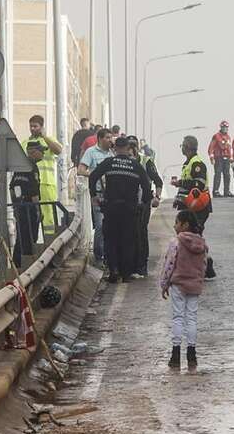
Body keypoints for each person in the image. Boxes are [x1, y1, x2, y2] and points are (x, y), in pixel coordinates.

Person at [88, 135, 153, 282]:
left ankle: (114, 271)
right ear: (128, 148)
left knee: (111, 240)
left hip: (111, 208)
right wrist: (143, 204)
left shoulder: (109, 162)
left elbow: (93, 177)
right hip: (130, 210)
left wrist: (94, 196)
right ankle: (126, 274)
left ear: (115, 148)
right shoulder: (136, 165)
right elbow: (146, 186)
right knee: (128, 241)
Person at [159, 209, 208, 369]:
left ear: (185, 225)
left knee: (178, 317)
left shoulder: (176, 242)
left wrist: (164, 284)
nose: (174, 226)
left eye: (177, 223)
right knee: (192, 318)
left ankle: (175, 354)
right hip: (194, 285)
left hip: (178, 284)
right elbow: (204, 265)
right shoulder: (201, 243)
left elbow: (169, 264)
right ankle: (192, 354)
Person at [78, 128, 115, 266]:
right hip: (98, 193)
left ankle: (109, 255)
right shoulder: (91, 152)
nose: (110, 140)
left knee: (110, 225)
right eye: (107, 137)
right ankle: (99, 256)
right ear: (100, 139)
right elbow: (81, 170)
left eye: (111, 137)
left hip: (112, 193)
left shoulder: (112, 153)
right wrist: (96, 174)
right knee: (100, 225)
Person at [10, 142, 44, 266]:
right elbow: (34, 192)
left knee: (21, 237)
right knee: (30, 237)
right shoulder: (32, 167)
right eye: (41, 151)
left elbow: (12, 188)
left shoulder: (20, 167)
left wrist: (15, 206)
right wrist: (38, 211)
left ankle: (17, 265)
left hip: (20, 207)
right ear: (33, 152)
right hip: (29, 207)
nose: (43, 154)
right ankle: (27, 265)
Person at [173, 135, 213, 229]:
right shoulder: (188, 163)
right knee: (186, 233)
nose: (181, 148)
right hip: (189, 205)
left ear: (188, 147)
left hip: (198, 205)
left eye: (182, 145)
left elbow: (199, 184)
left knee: (193, 233)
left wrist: (180, 183)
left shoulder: (197, 163)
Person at [208, 121, 233, 197]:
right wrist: (211, 158)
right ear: (221, 127)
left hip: (226, 158)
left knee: (227, 175)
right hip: (219, 158)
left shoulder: (228, 137)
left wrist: (231, 159)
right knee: (218, 174)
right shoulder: (216, 136)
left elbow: (229, 148)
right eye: (223, 127)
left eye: (226, 127)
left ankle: (226, 191)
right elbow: (211, 147)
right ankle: (216, 191)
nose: (225, 129)